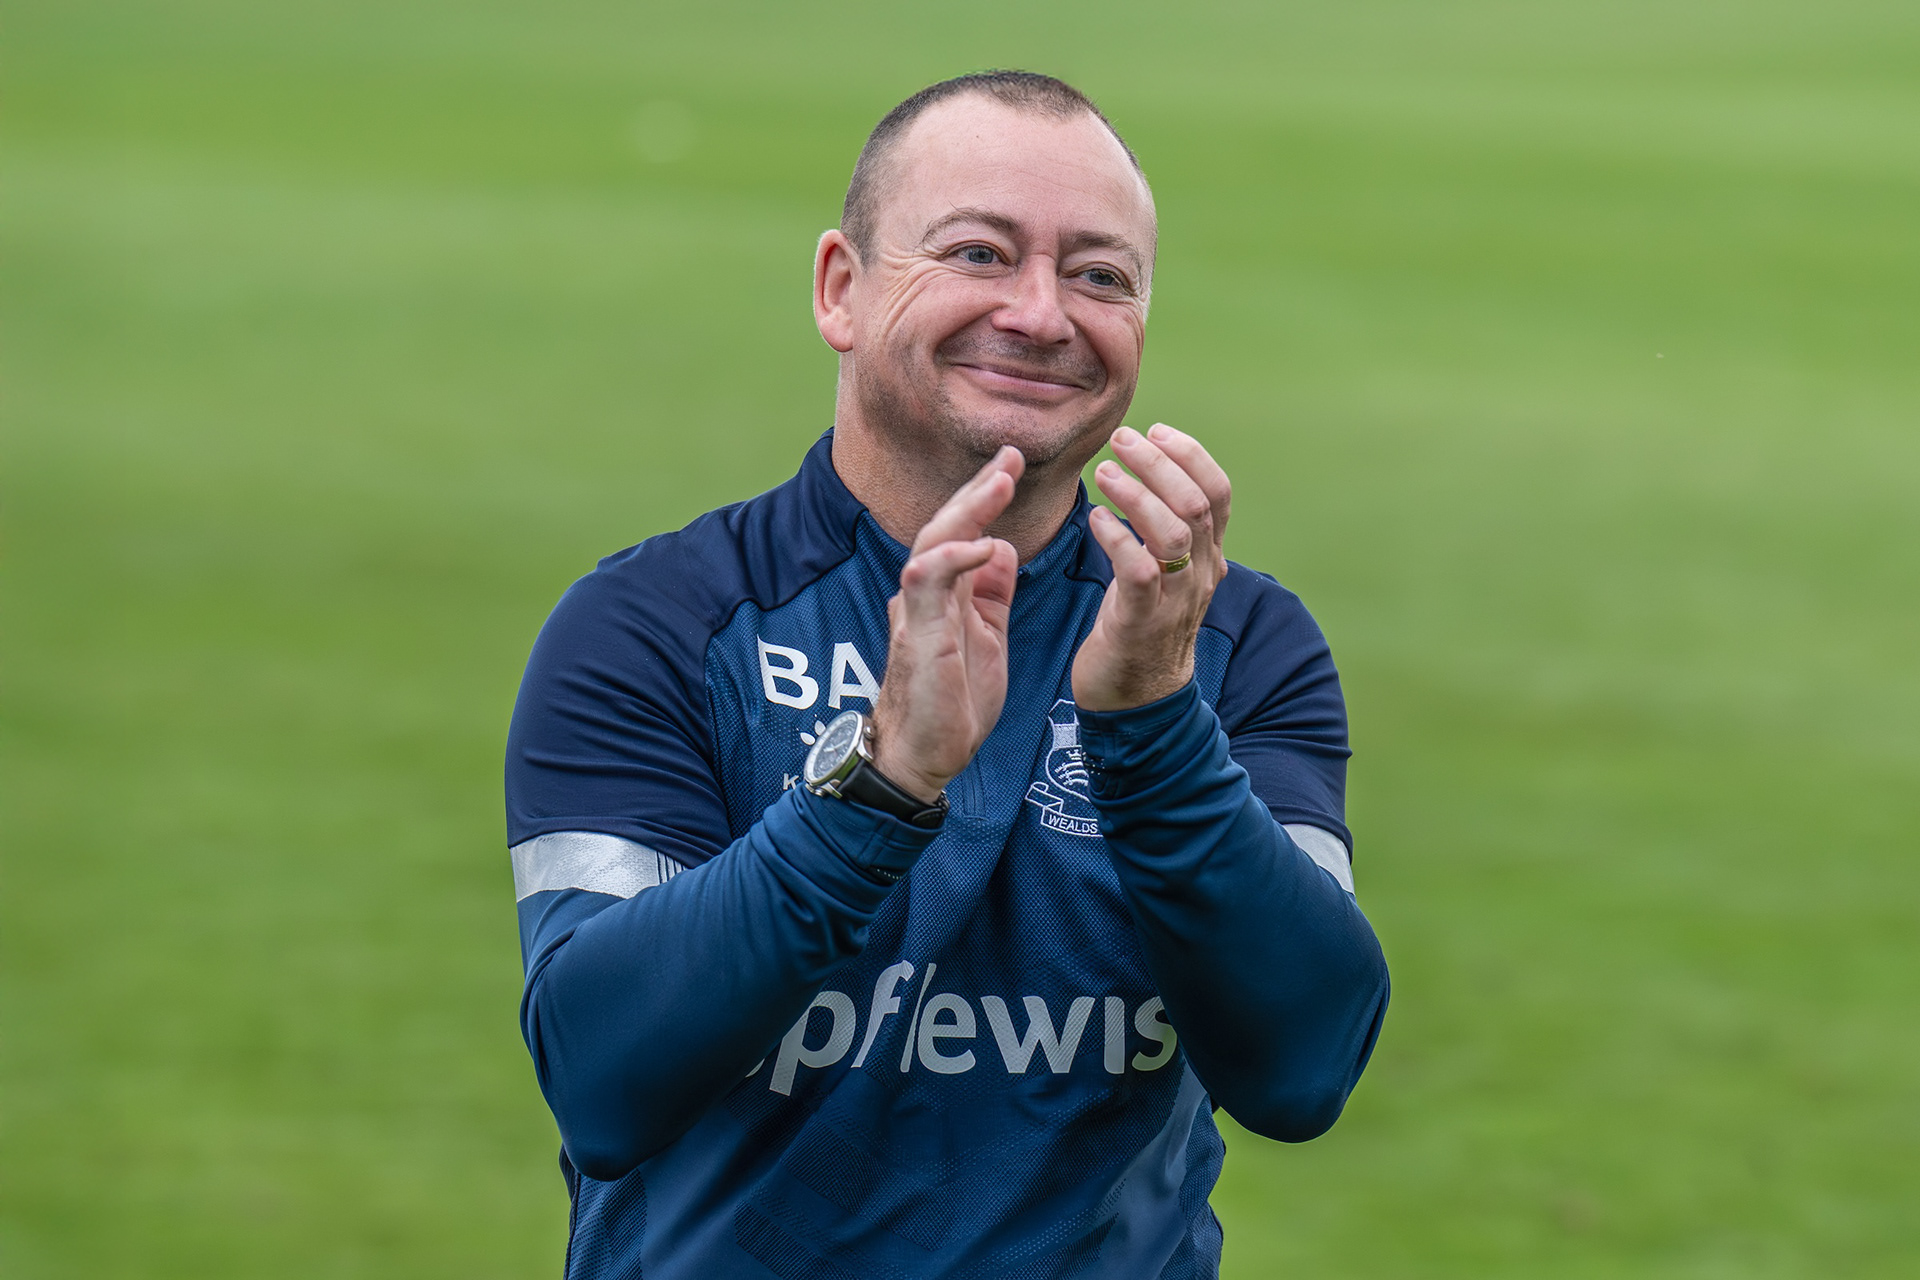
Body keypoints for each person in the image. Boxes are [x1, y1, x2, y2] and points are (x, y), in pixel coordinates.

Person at [505, 71, 1388, 1279]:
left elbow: (1301, 1066)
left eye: (1100, 275)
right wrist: (880, 785)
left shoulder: (1229, 641)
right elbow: (601, 1079)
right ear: (842, 289)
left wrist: (1155, 727)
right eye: (979, 252)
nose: (1041, 313)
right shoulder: (655, 625)